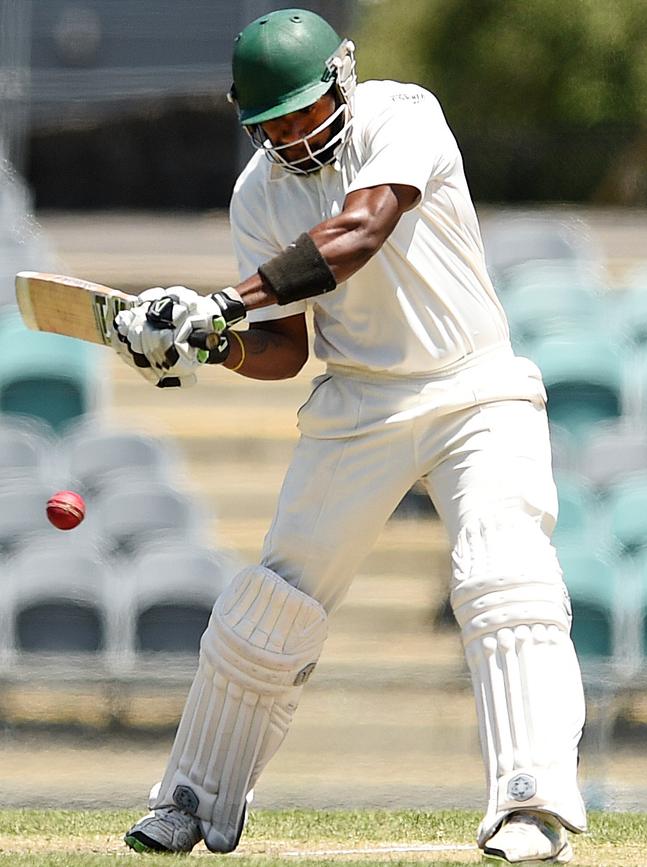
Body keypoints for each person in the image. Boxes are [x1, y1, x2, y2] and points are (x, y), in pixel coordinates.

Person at [114, 8, 586, 864]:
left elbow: (361, 230)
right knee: (271, 604)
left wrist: (223, 300)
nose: (294, 134)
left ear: (341, 80)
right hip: (359, 406)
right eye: (272, 122)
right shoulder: (257, 194)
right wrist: (214, 341)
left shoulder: (404, 117)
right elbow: (287, 350)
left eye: (304, 110)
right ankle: (192, 798)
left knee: (504, 573)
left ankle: (531, 804)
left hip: (474, 387)